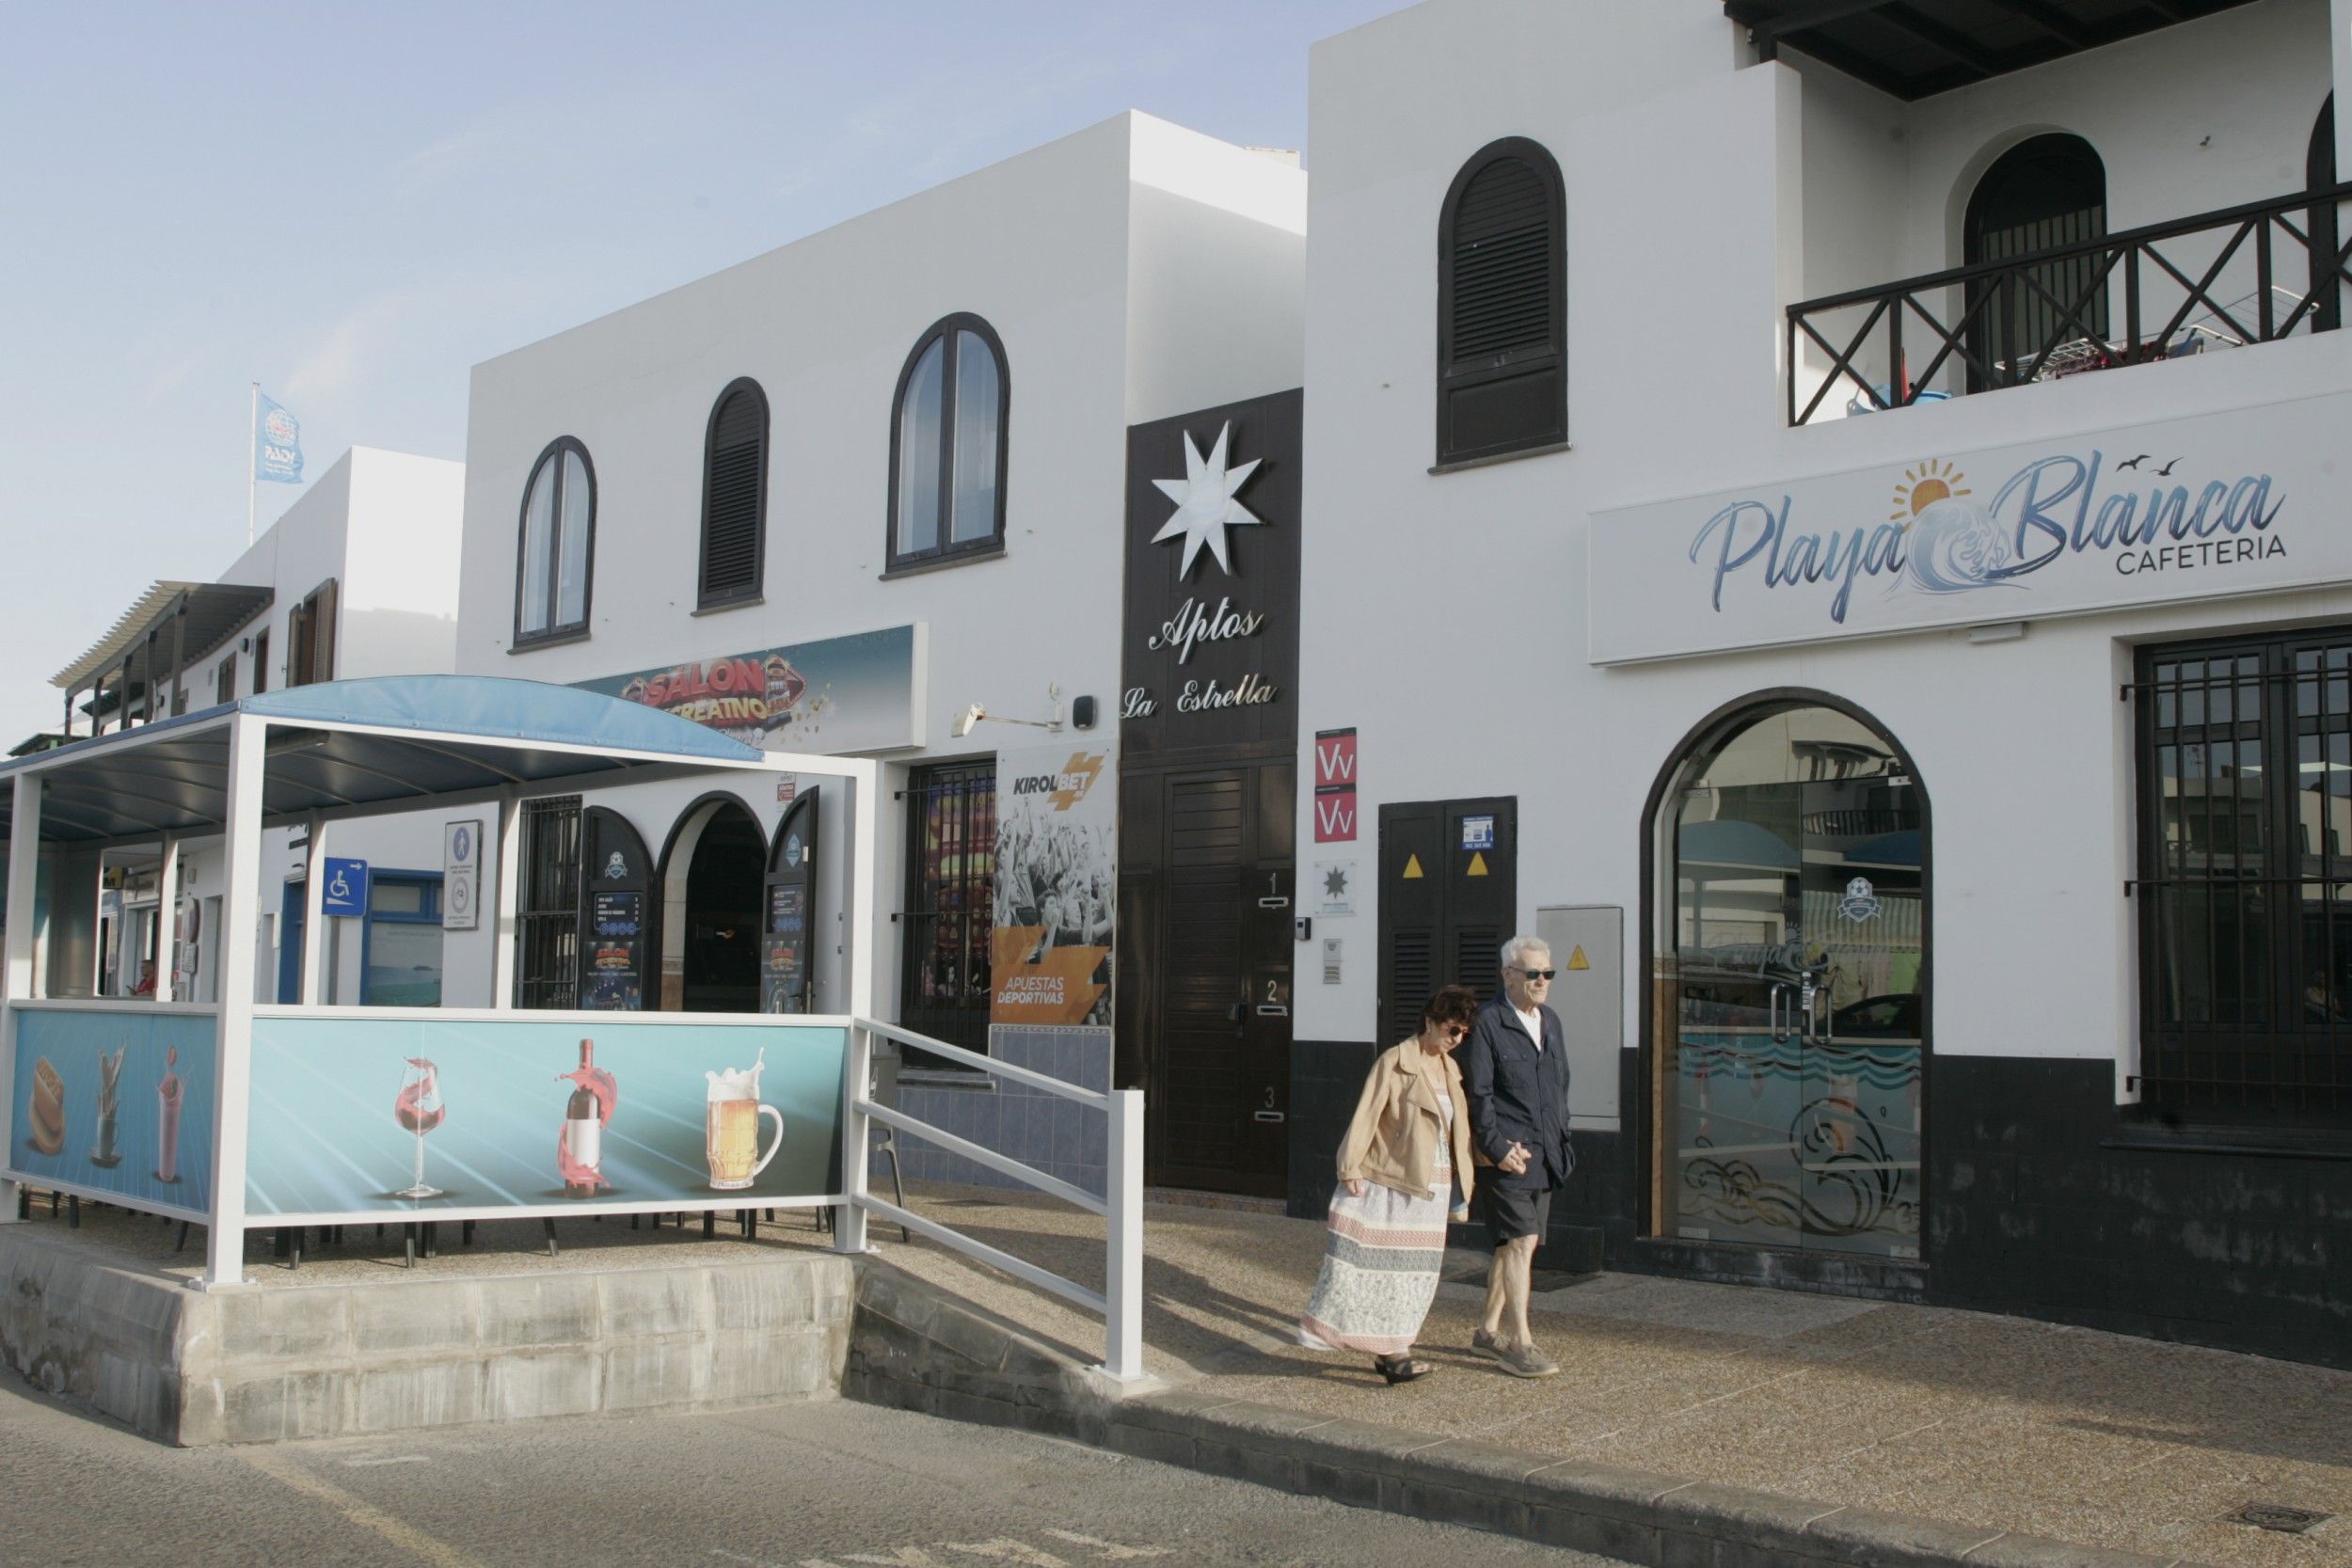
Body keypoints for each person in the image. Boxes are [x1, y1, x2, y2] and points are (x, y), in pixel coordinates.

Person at [1298, 984, 1481, 1384]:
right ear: (1430, 1021)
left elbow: (1458, 1132)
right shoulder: (1395, 1061)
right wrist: (1349, 1167)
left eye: (1464, 1033)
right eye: (1452, 1029)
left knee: (1414, 1275)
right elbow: (1367, 1113)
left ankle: (1393, 1350)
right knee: (1372, 1264)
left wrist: (1464, 1184)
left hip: (1432, 1186)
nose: (1457, 1039)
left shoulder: (1451, 1069)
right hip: (1394, 1179)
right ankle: (1388, 1350)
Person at [1461, 935, 1572, 1378]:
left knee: (1514, 1245)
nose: (1542, 981)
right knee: (1523, 1240)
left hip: (1545, 1152)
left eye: (1547, 973)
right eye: (1532, 973)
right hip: (1507, 1154)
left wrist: (1562, 1137)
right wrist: (1498, 1148)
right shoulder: (1488, 1022)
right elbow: (1480, 1094)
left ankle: (1486, 1333)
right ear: (1508, 974)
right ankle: (1520, 1342)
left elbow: (1560, 1084)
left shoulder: (1551, 1021)